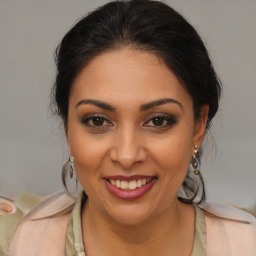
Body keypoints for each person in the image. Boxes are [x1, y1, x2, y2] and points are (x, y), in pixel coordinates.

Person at [0, 0, 255, 255]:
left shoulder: (246, 243)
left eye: (158, 121)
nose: (127, 155)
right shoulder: (12, 239)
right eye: (98, 121)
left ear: (198, 127)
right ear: (68, 128)